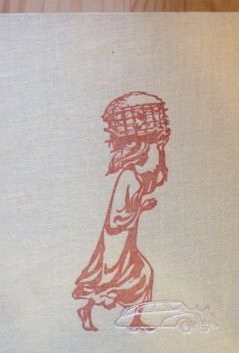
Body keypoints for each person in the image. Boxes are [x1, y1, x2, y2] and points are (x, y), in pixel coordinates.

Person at [72, 91, 170, 331]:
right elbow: (116, 219)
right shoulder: (128, 176)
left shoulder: (136, 174)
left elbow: (157, 175)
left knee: (138, 275)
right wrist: (141, 207)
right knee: (119, 278)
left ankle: (132, 319)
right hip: (116, 242)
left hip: (126, 239)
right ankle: (124, 317)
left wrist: (160, 146)